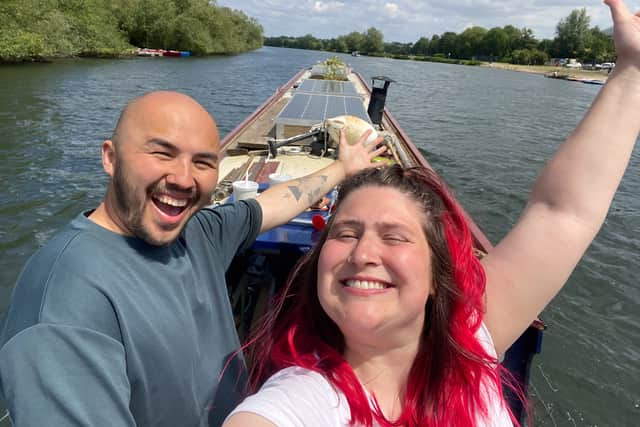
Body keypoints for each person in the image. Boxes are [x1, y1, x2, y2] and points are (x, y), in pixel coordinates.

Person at [223, 1, 640, 426]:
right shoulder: (295, 402)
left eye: (394, 236)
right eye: (346, 233)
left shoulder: (473, 341)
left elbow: (561, 212)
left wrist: (633, 69)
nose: (363, 252)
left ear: (437, 277)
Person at [0, 91, 386, 426]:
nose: (184, 179)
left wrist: (343, 168)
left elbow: (271, 204)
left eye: (202, 162)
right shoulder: (64, 308)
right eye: (161, 153)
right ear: (110, 158)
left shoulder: (198, 233)